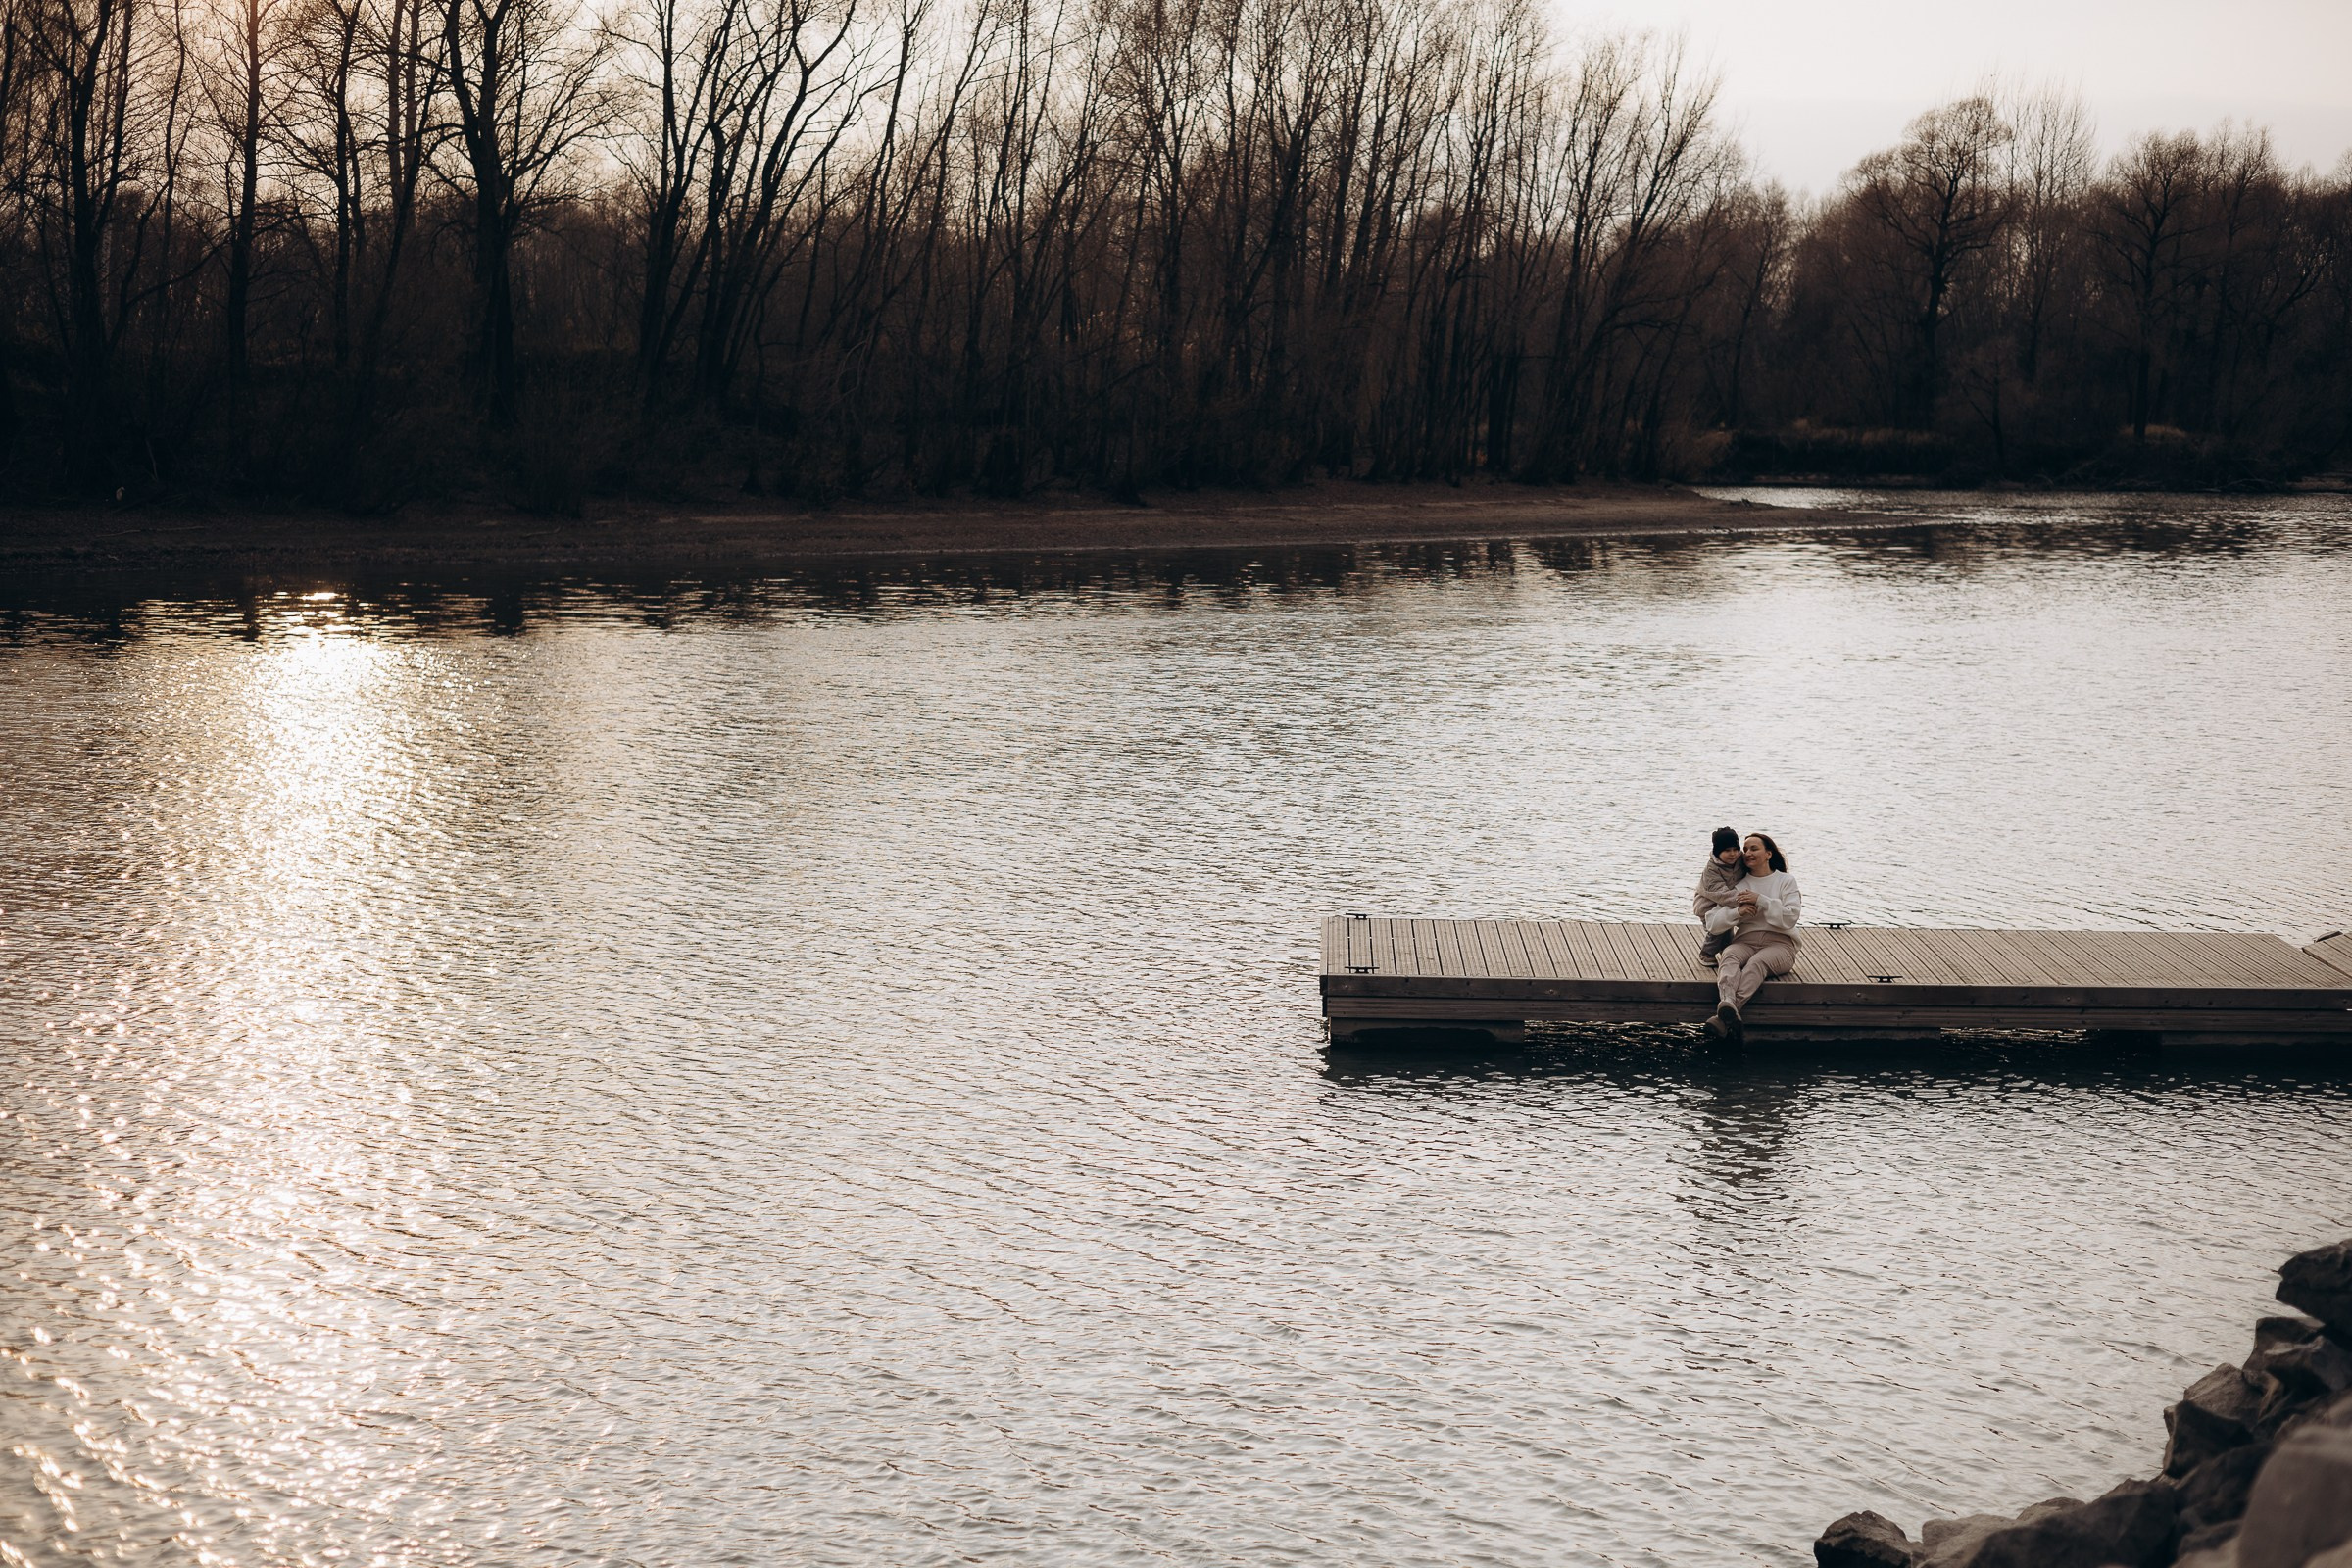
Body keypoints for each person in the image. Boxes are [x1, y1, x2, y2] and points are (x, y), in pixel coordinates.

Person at [1703, 832, 1800, 1045]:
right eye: (1745, 849)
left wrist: (1761, 901)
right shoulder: (1740, 886)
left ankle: (1724, 1016)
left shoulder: (1785, 881)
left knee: (1757, 963)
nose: (1747, 853)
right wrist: (1737, 913)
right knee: (1728, 955)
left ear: (1768, 853)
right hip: (1746, 940)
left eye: (1753, 848)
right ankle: (1727, 1003)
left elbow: (1791, 917)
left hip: (1780, 943)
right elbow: (1713, 923)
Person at [1691, 826, 1746, 966]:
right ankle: (1706, 953)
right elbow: (1721, 894)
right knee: (1718, 927)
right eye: (1727, 850)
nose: (1733, 854)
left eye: (1735, 849)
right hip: (1708, 906)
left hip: (1729, 904)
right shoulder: (1711, 869)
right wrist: (1745, 900)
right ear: (1718, 851)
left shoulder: (1740, 861)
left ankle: (1727, 952)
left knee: (1727, 931)